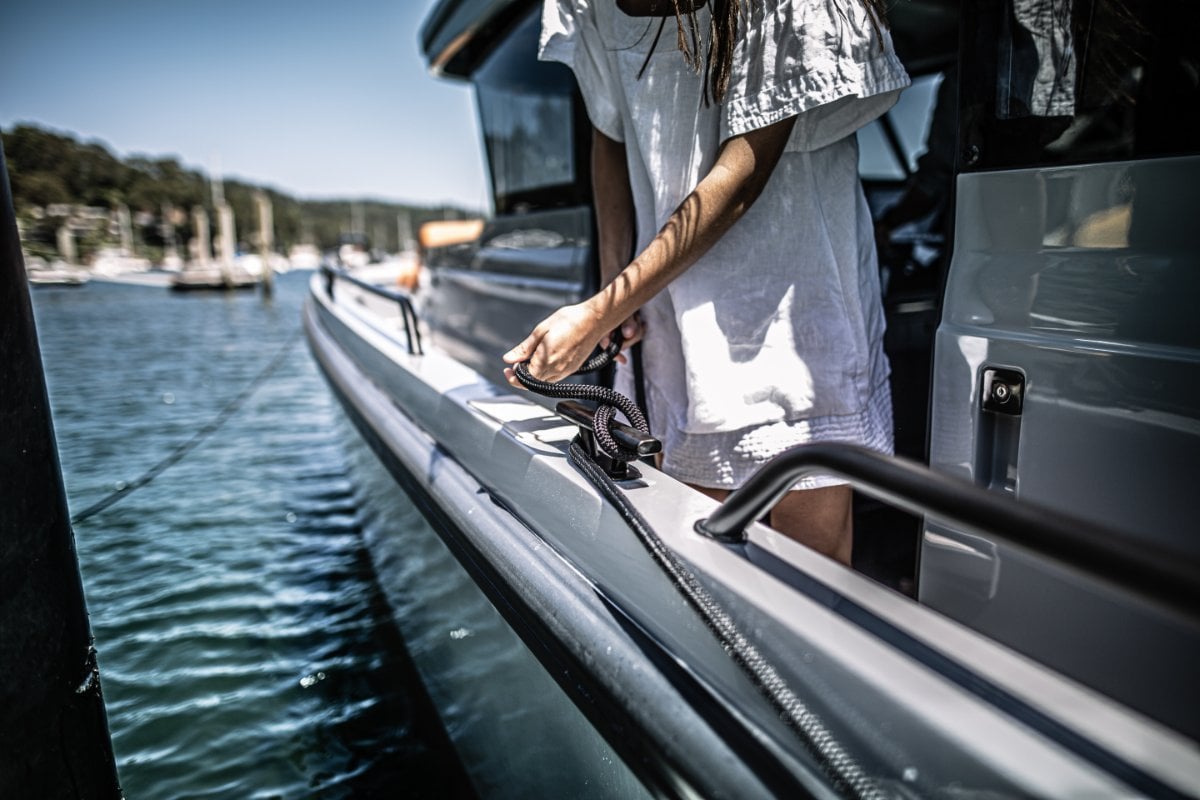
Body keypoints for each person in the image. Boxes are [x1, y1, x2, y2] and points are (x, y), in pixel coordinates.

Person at [503, 0, 909, 564]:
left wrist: (603, 307)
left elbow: (743, 172)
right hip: (668, 309)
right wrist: (614, 295)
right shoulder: (587, 6)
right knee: (693, 546)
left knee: (813, 561)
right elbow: (609, 134)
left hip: (797, 309)